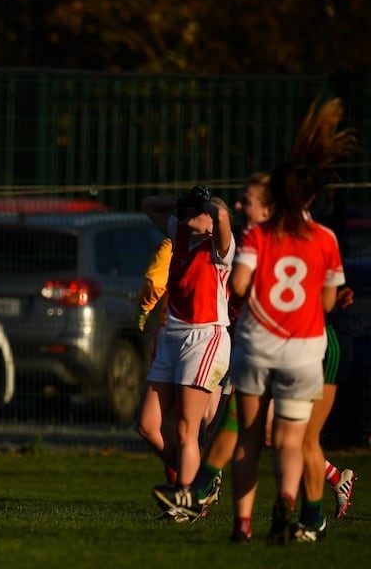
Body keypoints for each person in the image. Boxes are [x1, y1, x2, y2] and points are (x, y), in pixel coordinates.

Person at [155, 97, 353, 545]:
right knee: (289, 438)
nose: (241, 207)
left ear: (271, 203)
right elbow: (325, 300)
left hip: (261, 343)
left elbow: (240, 286)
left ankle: (231, 516)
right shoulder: (324, 238)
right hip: (306, 348)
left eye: (247, 201)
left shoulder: (261, 236)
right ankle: (294, 508)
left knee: (241, 431)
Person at [138, 185, 234, 520]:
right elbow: (149, 203)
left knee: (185, 428)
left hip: (205, 338)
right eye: (192, 212)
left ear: (211, 224)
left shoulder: (219, 248)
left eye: (201, 213)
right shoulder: (179, 236)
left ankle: (187, 501)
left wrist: (208, 202)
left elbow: (222, 216)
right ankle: (201, 483)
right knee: (148, 425)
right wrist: (184, 201)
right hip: (172, 338)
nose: (194, 215)